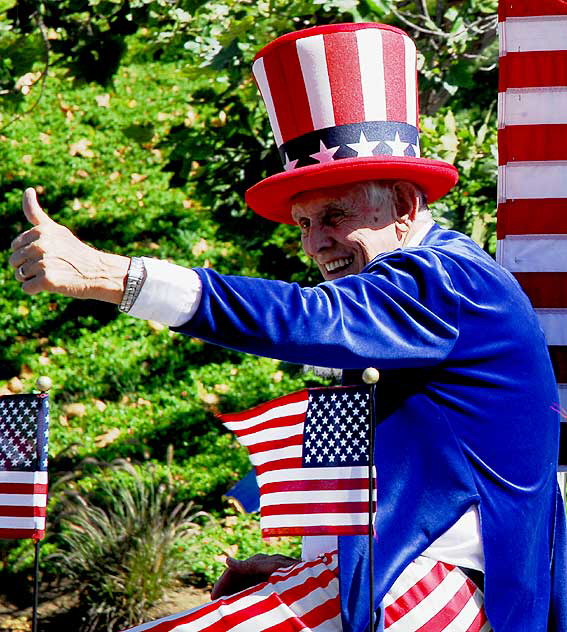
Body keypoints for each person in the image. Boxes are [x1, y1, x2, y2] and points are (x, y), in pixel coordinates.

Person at [9, 22, 567, 632]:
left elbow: (304, 317)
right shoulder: (411, 294)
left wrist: (110, 275)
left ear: (405, 208)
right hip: (394, 578)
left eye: (334, 215)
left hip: (445, 594)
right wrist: (304, 563)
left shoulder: (447, 282)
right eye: (303, 224)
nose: (316, 243)